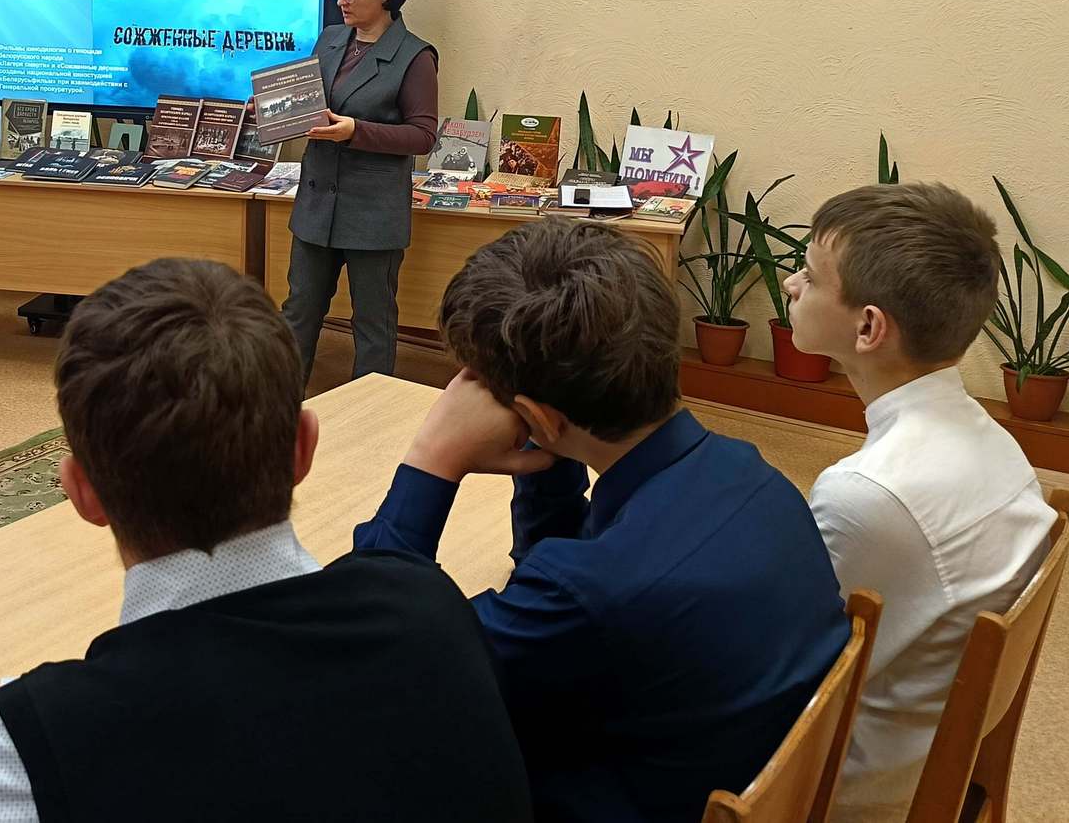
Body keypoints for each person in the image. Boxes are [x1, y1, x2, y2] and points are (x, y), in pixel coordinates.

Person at [0, 259, 532, 822]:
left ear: (81, 492)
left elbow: (174, 706)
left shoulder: (31, 760)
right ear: (304, 447)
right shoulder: (431, 605)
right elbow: (246, 696)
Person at [354, 217, 851, 822]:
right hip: (702, 768)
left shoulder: (583, 595)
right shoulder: (755, 476)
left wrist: (432, 459)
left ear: (537, 416)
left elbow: (365, 658)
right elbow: (562, 557)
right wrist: (545, 448)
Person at [784, 183, 1056, 821]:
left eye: (811, 277)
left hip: (849, 788)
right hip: (929, 743)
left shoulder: (867, 492)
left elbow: (784, 659)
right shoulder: (998, 442)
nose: (792, 285)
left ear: (869, 327)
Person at [283, 0, 439, 383]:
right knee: (298, 312)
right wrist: (274, 112)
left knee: (372, 323)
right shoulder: (330, 39)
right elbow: (309, 104)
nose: (342, 1)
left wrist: (356, 130)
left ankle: (371, 414)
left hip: (372, 211)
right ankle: (278, 408)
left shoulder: (415, 56)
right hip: (316, 205)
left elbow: (423, 136)